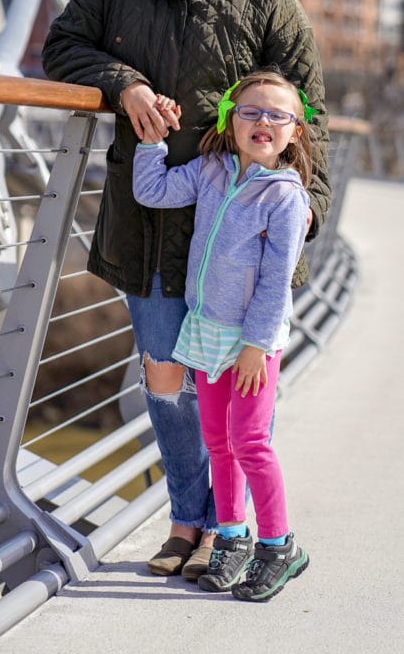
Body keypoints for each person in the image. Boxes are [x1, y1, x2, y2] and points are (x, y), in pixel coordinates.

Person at [41, 0, 331, 581]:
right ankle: (189, 520)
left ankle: (233, 533)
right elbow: (62, 46)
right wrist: (124, 84)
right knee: (165, 379)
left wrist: (301, 219)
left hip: (233, 227)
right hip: (147, 214)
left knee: (223, 390)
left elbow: (309, 106)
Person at [133, 71, 315, 600]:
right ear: (229, 120)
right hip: (207, 331)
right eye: (251, 111)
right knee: (219, 441)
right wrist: (152, 143)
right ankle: (231, 538)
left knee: (251, 442)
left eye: (277, 115)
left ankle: (280, 546)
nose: (263, 122)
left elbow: (278, 279)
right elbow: (153, 191)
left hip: (252, 343)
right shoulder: (212, 170)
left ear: (294, 131)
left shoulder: (286, 199)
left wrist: (257, 346)